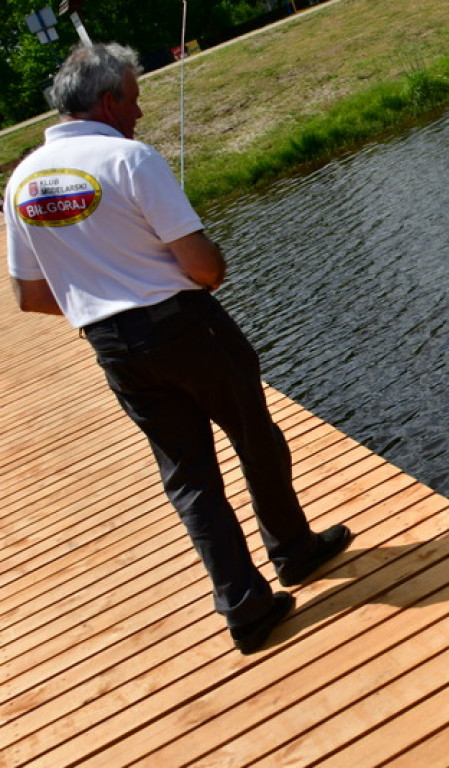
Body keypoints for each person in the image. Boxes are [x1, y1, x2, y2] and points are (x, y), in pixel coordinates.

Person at [4, 43, 352, 655]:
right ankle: (294, 551)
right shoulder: (129, 158)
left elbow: (30, 297)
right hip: (187, 328)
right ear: (108, 100)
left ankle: (244, 607)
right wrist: (202, 268)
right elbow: (203, 269)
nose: (139, 113)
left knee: (188, 476)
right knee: (255, 436)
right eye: (134, 99)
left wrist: (103, 300)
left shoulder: (21, 181)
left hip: (112, 347)